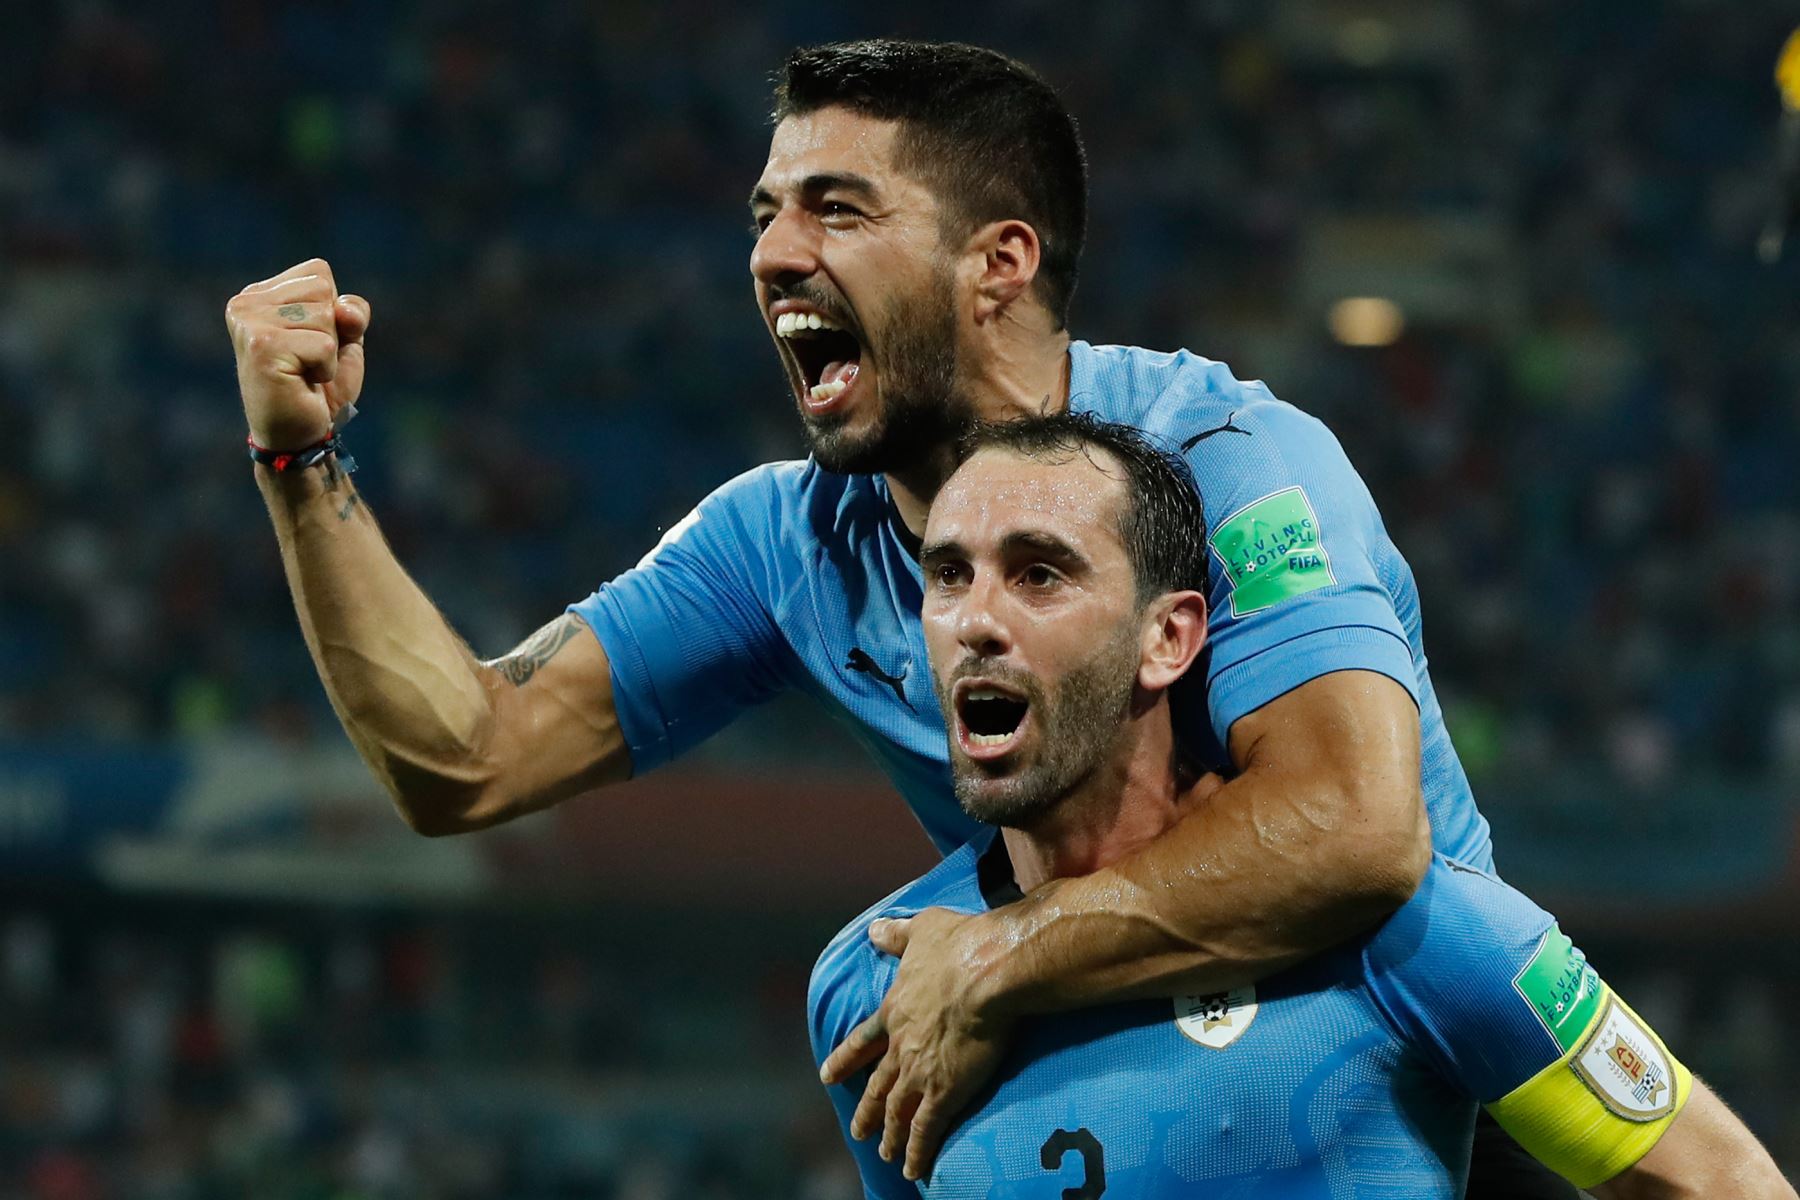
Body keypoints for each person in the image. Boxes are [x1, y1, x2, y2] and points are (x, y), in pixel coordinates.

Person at [227, 38, 1544, 1191]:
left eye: (835, 209)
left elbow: (1356, 832)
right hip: (1158, 1094)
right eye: (765, 214)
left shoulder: (1228, 460)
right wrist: (301, 466)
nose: (773, 254)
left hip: (1441, 1106)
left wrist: (997, 961)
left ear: (999, 265)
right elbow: (468, 755)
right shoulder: (788, 538)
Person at [810, 411, 1793, 1198]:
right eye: (948, 576)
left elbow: (1714, 1180)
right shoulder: (878, 983)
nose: (977, 619)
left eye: (1040, 573)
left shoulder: (1405, 928)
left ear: (1168, 639)